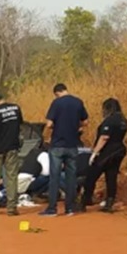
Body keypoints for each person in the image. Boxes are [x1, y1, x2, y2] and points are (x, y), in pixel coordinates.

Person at [41, 83, 89, 217]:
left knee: (54, 177)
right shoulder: (78, 102)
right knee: (71, 178)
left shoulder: (56, 103)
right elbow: (85, 122)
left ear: (57, 93)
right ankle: (70, 208)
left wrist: (54, 128)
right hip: (72, 145)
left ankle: (52, 208)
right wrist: (75, 125)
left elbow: (49, 123)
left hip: (57, 145)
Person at [81, 98, 127, 213]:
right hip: (119, 150)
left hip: (107, 152)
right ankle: (109, 202)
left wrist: (95, 153)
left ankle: (85, 200)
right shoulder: (123, 120)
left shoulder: (110, 120)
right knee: (111, 177)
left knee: (92, 175)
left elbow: (104, 138)